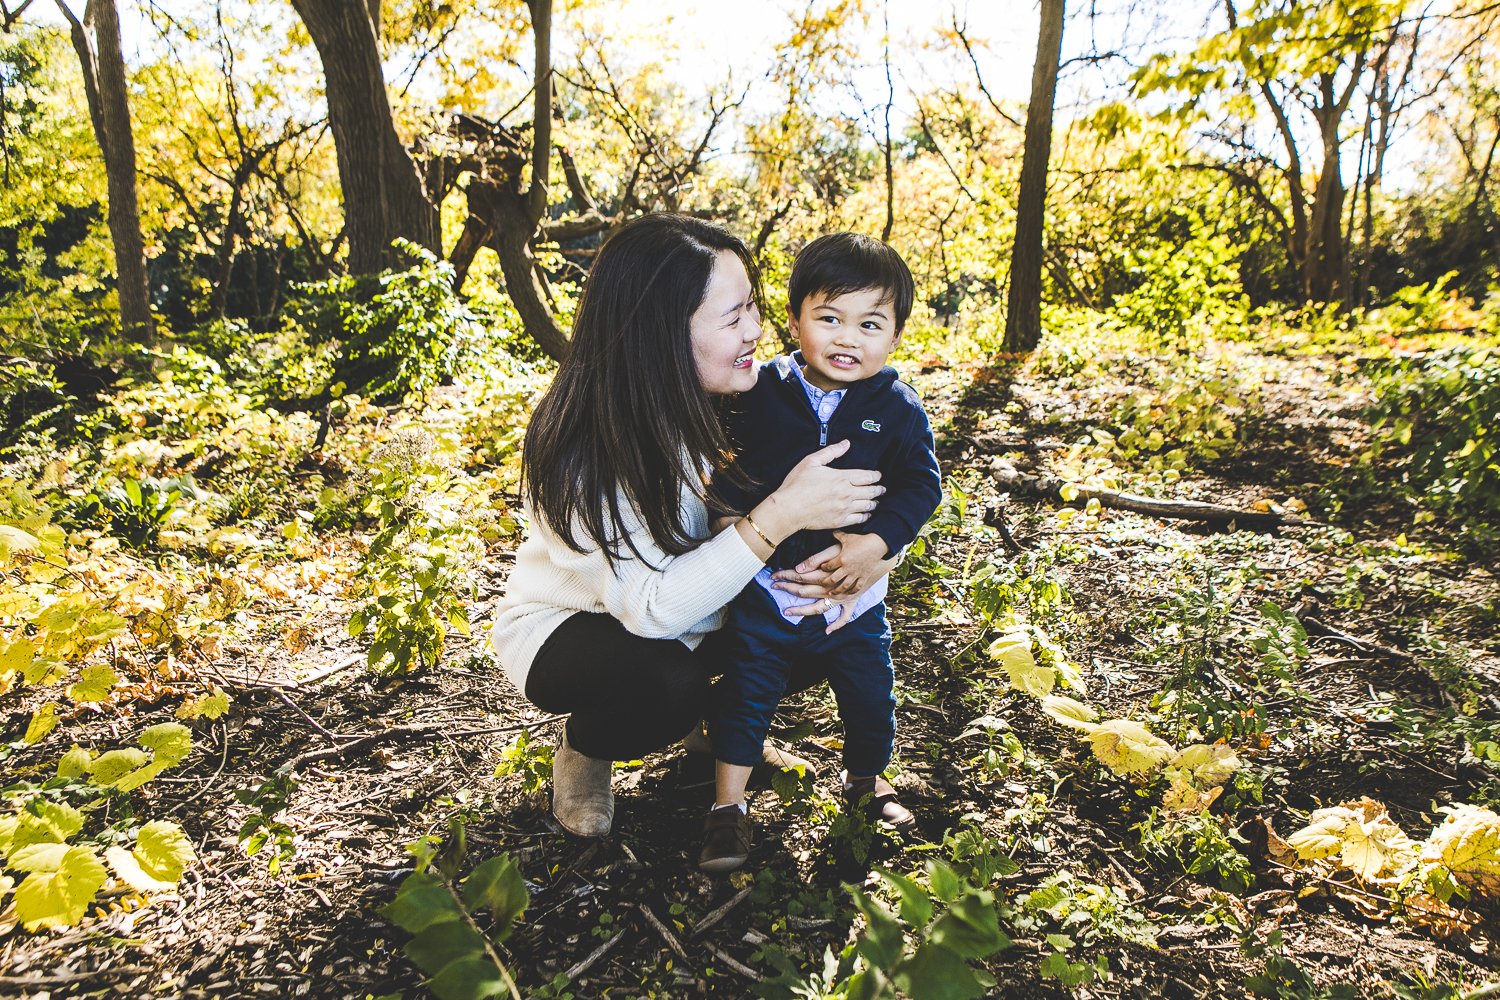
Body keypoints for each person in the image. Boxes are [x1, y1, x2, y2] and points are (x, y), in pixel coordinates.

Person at [489, 214, 898, 838]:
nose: (756, 329)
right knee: (663, 686)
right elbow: (652, 610)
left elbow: (873, 488)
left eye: (752, 307)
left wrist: (872, 556)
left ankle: (720, 733)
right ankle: (587, 747)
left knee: (812, 628)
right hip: (581, 627)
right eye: (733, 318)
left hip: (703, 608)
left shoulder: (743, 396)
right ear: (662, 331)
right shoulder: (587, 449)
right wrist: (780, 514)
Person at [699, 233, 942, 873]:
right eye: (829, 318)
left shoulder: (897, 409)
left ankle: (866, 779)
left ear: (896, 337)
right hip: (769, 588)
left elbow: (921, 485)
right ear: (794, 321)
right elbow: (728, 464)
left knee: (870, 690)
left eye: (870, 325)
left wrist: (878, 544)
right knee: (748, 691)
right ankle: (727, 806)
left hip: (853, 594)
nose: (847, 338)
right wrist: (729, 517)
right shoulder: (760, 393)